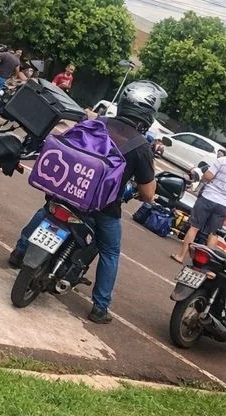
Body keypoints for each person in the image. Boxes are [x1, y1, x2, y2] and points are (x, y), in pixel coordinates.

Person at [9, 80, 162, 324]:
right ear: (148, 113)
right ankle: (100, 307)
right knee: (110, 251)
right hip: (103, 208)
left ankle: (19, 252)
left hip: (68, 190)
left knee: (46, 212)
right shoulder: (141, 146)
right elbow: (147, 194)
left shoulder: (96, 123)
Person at [171, 142, 226, 263]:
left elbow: (207, 176)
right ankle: (207, 264)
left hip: (208, 197)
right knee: (213, 234)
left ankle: (181, 256)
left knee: (194, 228)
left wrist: (203, 180)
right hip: (224, 204)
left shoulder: (222, 161)